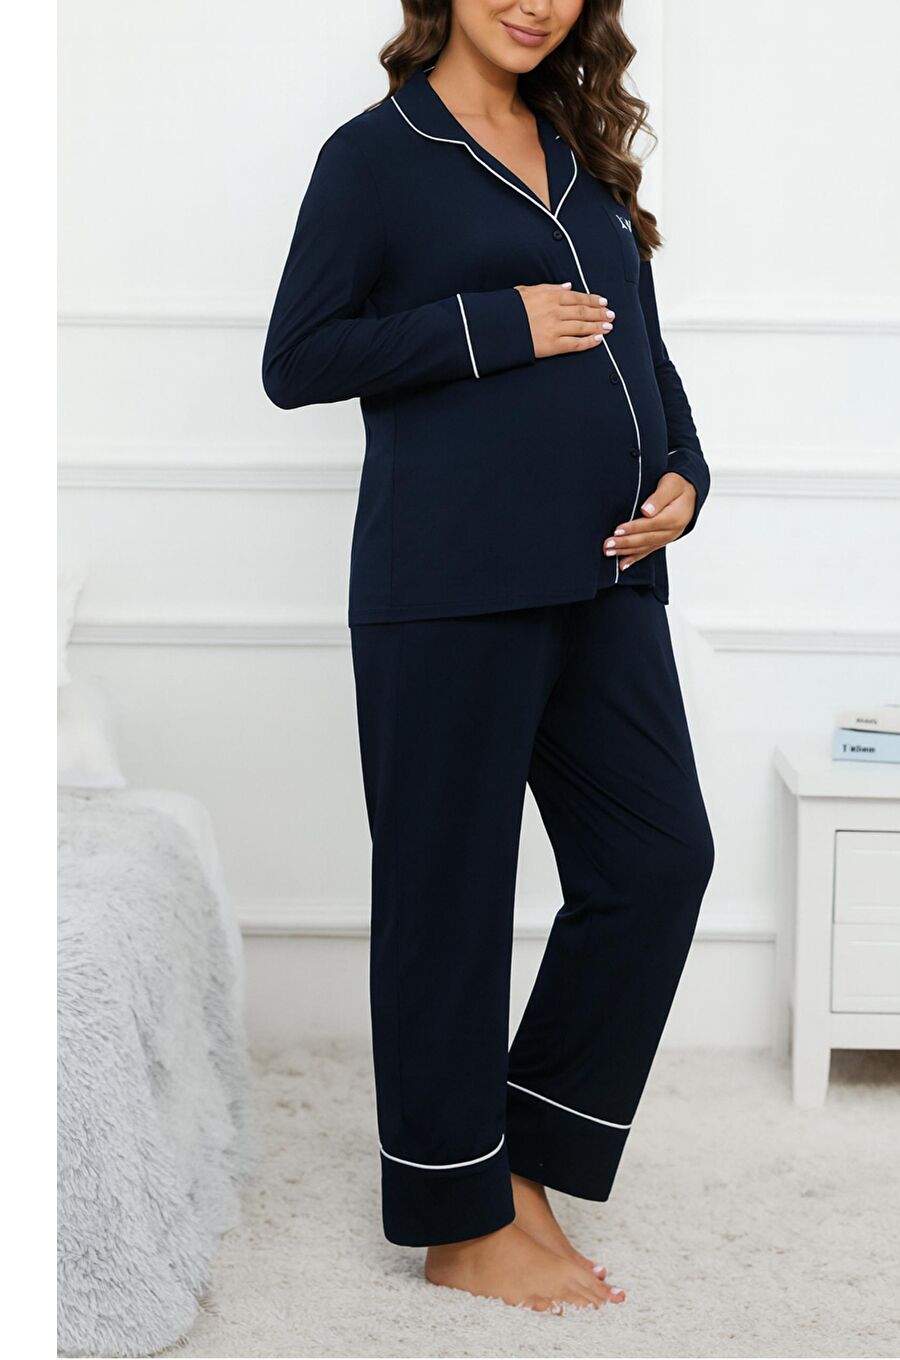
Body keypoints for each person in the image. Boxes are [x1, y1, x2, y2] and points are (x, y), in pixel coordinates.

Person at [263, 0, 715, 1314]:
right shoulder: (377, 155)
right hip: (448, 582)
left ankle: (518, 1160)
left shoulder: (578, 145)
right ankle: (458, 1223)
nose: (535, 2)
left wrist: (689, 473)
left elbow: (640, 340)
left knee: (657, 861)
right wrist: (492, 324)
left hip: (608, 574)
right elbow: (298, 359)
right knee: (448, 902)